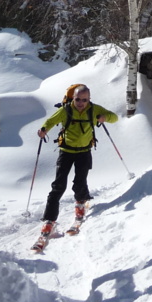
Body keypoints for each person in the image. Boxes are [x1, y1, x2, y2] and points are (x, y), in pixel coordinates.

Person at [36, 84, 118, 234]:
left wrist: (104, 117)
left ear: (89, 99)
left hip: (84, 152)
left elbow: (115, 117)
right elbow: (51, 121)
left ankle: (80, 205)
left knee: (79, 182)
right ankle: (49, 220)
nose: (81, 103)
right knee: (58, 186)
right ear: (73, 98)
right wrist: (43, 130)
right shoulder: (66, 110)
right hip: (66, 152)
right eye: (78, 99)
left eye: (84, 100)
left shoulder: (94, 110)